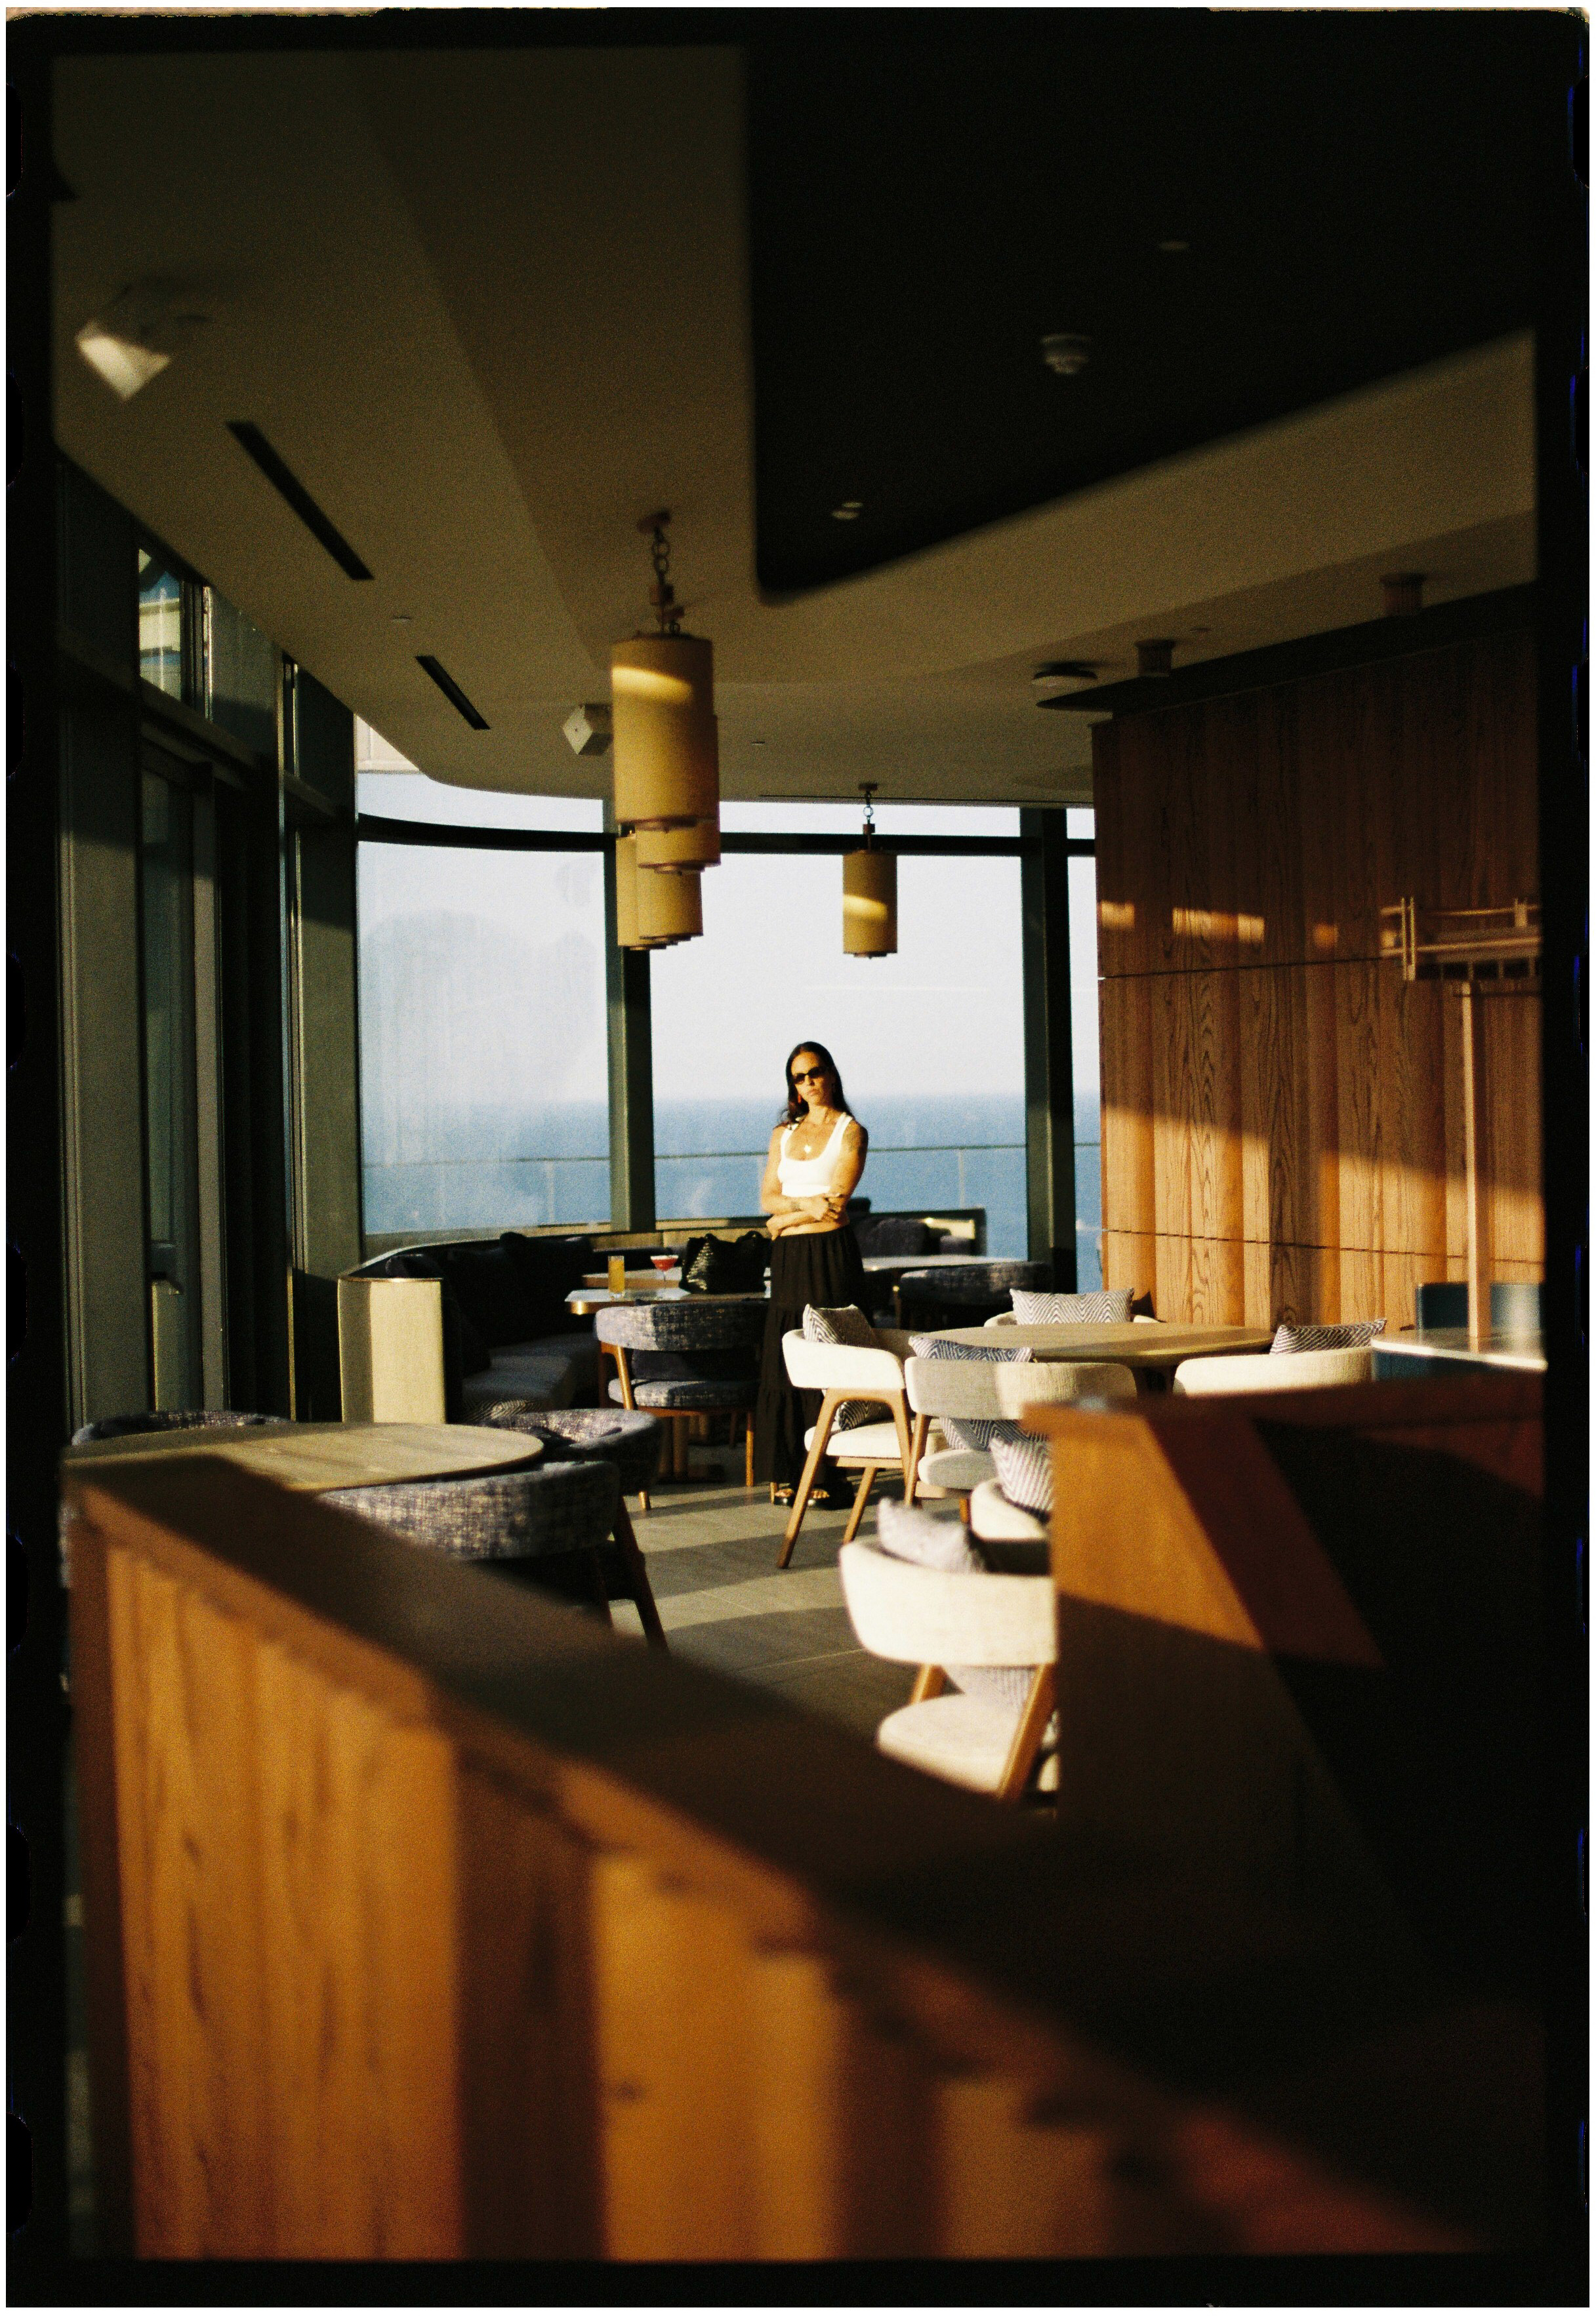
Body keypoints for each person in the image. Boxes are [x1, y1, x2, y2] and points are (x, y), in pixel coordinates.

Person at [752, 1042, 870, 1501]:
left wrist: (783, 1221)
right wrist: (801, 1206)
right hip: (788, 1262)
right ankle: (784, 1469)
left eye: (815, 1072)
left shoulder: (850, 1131)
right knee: (786, 1357)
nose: (808, 1082)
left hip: (828, 1256)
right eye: (799, 1077)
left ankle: (827, 1473)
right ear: (793, 1087)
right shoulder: (783, 1133)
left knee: (827, 1354)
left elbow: (836, 1209)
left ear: (832, 1074)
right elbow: (768, 1198)